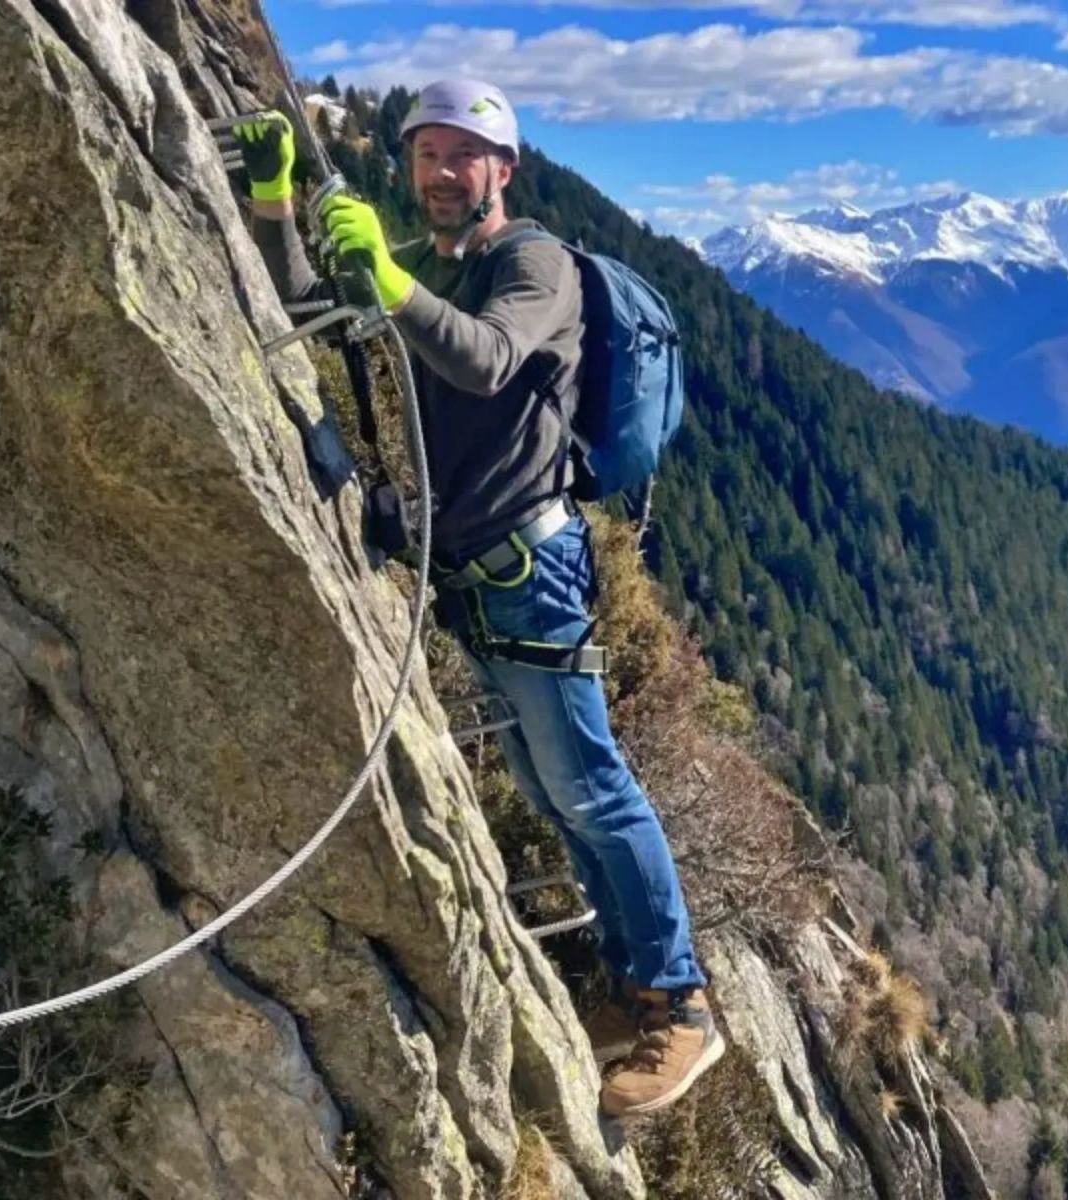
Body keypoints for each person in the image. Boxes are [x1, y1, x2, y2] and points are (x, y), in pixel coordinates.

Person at [236, 79, 722, 1118]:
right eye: (426, 156)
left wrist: (388, 281)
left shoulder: (532, 265)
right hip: (473, 573)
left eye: (465, 155)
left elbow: (490, 360)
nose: (442, 174)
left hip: (529, 572)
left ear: (505, 168)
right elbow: (311, 312)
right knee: (555, 796)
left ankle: (681, 1008)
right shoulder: (431, 269)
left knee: (591, 789)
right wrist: (276, 203)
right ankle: (632, 983)